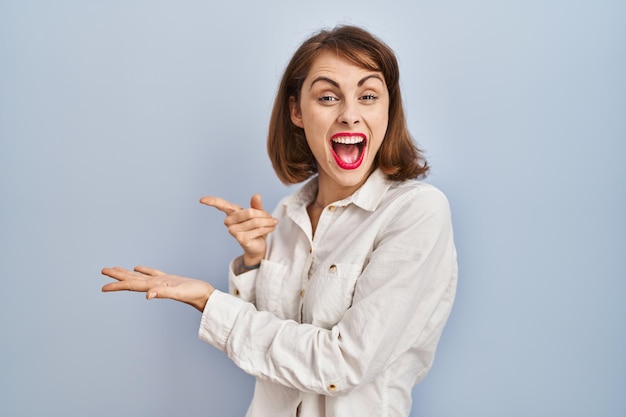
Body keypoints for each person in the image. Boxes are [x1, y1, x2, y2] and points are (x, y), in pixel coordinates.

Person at [102, 25, 458, 417]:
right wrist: (255, 262)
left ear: (388, 110)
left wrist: (209, 302)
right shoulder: (286, 217)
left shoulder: (417, 212)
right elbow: (268, 355)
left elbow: (343, 364)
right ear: (296, 112)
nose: (350, 115)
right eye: (327, 97)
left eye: (368, 95)